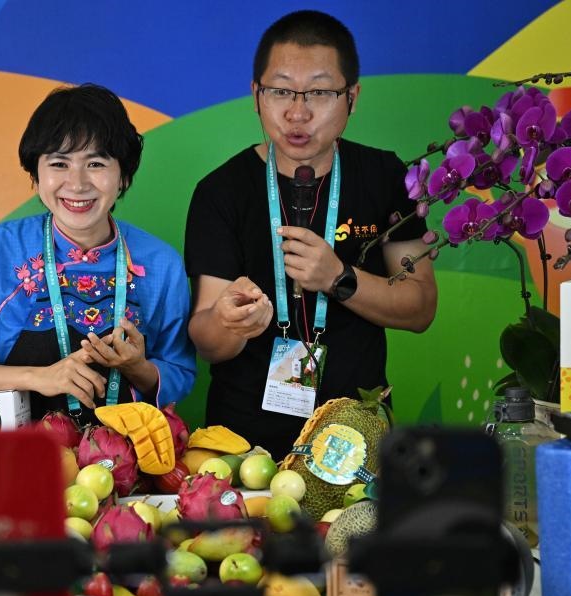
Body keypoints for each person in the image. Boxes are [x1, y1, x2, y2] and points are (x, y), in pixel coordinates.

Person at [185, 10, 437, 459]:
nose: (297, 112)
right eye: (281, 90)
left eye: (320, 92)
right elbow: (207, 341)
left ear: (352, 97)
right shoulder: (220, 191)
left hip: (355, 435)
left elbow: (420, 306)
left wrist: (339, 278)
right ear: (256, 95)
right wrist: (228, 322)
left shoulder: (386, 176)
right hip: (243, 442)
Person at [0, 84, 195, 423]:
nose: (77, 184)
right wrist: (38, 377)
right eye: (59, 163)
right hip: (26, 449)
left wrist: (138, 368)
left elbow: (181, 373)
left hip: (129, 451)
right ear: (35, 175)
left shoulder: (162, 263)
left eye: (95, 163)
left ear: (123, 175)